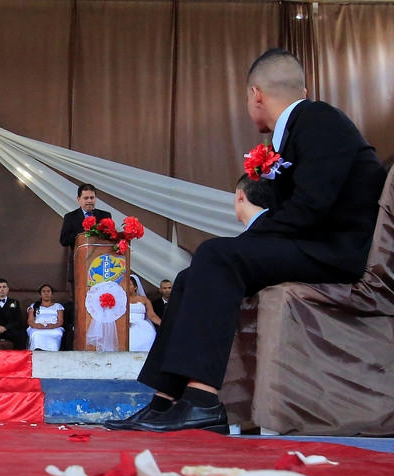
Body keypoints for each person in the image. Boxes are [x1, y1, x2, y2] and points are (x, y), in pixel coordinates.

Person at [107, 48, 386, 434]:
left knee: (216, 255)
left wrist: (248, 242)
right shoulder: (298, 129)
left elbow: (311, 206)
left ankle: (203, 400)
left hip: (335, 250)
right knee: (191, 276)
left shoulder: (320, 119)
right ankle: (164, 401)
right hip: (314, 242)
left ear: (256, 94)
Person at [59, 184, 113, 285]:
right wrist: (83, 232)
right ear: (78, 199)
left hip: (101, 266)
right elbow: (64, 240)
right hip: (79, 265)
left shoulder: (105, 215)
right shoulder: (70, 217)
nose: (89, 201)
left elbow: (111, 237)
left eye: (92, 198)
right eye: (86, 198)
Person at [26, 284, 65, 351]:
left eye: (48, 291)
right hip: (37, 328)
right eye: (44, 291)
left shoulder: (58, 306)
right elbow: (30, 320)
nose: (46, 293)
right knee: (36, 334)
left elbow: (60, 320)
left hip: (54, 328)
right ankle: (37, 350)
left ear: (52, 294)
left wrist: (53, 326)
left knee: (57, 333)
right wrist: (36, 325)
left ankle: (53, 352)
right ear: (40, 294)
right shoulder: (33, 306)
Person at [128, 274, 161, 352]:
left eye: (129, 285)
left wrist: (163, 324)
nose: (127, 287)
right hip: (126, 326)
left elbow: (152, 315)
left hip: (141, 326)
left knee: (148, 339)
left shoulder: (144, 299)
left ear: (135, 287)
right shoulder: (121, 299)